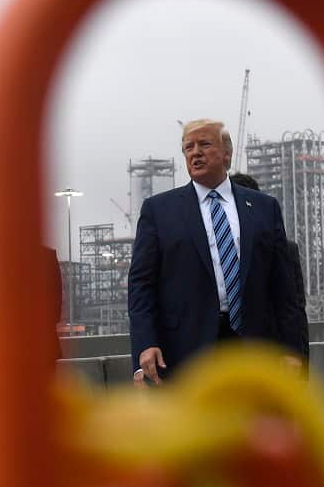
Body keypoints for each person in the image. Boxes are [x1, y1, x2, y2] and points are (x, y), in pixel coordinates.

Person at [127, 119, 303, 386]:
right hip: (185, 350)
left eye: (204, 144)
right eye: (188, 147)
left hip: (255, 348)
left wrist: (293, 350)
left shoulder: (264, 207)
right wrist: (145, 343)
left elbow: (284, 289)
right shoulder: (159, 211)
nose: (195, 152)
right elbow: (141, 284)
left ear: (227, 154)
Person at [229, 172, 310, 360]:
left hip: (269, 357)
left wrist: (299, 361)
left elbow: (295, 311)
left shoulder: (285, 250)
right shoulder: (213, 253)